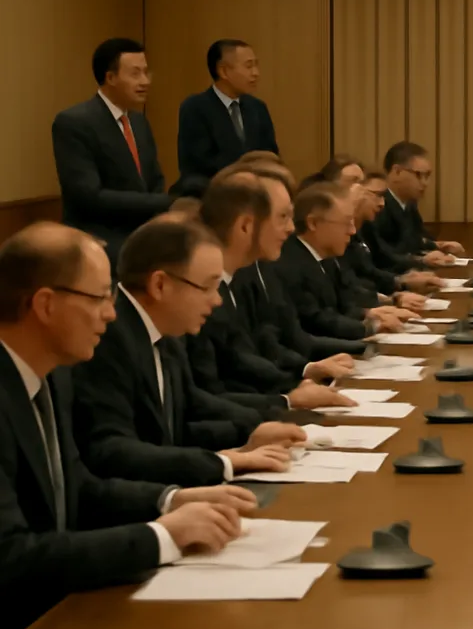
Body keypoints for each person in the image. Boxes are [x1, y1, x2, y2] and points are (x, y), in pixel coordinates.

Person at [0, 223, 255, 629]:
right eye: (99, 297)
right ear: (45, 304)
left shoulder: (51, 378)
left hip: (55, 615)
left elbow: (78, 487)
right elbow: (10, 557)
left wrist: (171, 499)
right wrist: (162, 537)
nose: (112, 312)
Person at [72, 218, 305, 487]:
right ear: (160, 285)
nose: (217, 300)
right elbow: (110, 450)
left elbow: (186, 409)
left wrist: (253, 428)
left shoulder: (166, 328)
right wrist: (224, 461)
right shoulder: (108, 337)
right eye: (207, 287)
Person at [186, 178, 349, 415]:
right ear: (245, 226)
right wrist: (287, 399)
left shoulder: (238, 279)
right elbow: (208, 391)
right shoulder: (200, 291)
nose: (292, 228)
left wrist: (301, 376)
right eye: (282, 217)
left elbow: (248, 355)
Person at [52, 38, 171, 264]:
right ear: (110, 77)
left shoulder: (139, 122)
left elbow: (155, 179)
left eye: (146, 72)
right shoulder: (74, 122)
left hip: (143, 232)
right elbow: (88, 196)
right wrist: (164, 203)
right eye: (135, 74)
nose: (145, 81)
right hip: (98, 237)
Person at [276, 184, 417, 341]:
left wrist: (370, 313)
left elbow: (344, 304)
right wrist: (369, 328)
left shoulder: (326, 257)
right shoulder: (290, 263)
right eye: (346, 222)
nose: (352, 231)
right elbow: (315, 320)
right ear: (313, 223)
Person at [175, 39, 280, 195]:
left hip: (257, 194)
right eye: (249, 66)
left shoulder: (257, 107)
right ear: (223, 71)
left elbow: (271, 154)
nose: (255, 73)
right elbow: (198, 163)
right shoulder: (195, 108)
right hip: (213, 194)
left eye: (256, 65)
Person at [343, 169, 441, 305]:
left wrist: (402, 280)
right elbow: (346, 288)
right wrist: (395, 293)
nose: (382, 204)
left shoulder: (365, 226)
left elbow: (379, 261)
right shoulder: (335, 236)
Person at [367, 141, 463, 270]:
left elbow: (415, 238)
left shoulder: (409, 203)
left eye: (427, 176)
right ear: (397, 171)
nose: (425, 183)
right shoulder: (378, 205)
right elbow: (383, 255)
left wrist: (438, 245)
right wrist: (420, 260)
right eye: (418, 175)